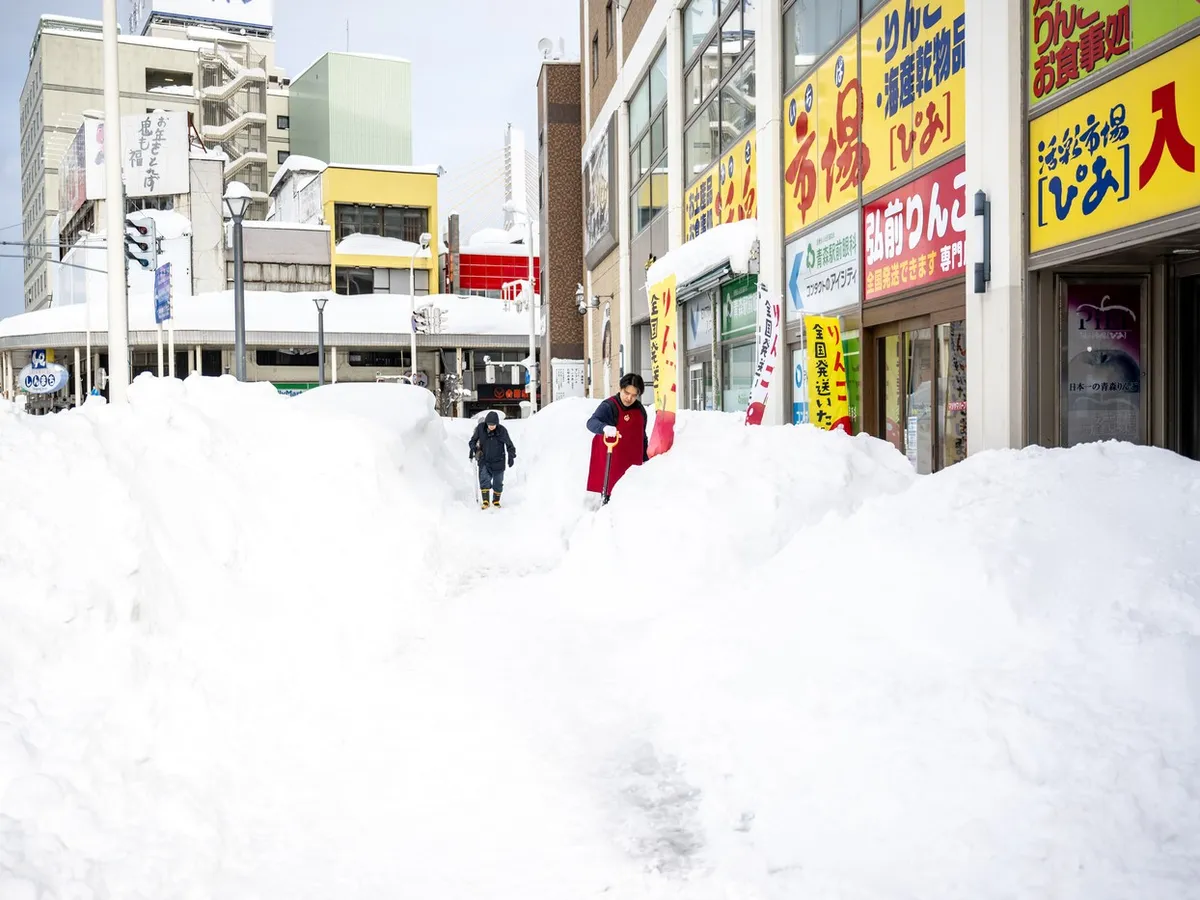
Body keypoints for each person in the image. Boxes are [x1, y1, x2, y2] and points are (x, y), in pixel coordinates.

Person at [585, 373, 649, 502]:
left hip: (632, 465)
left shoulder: (640, 410)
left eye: (633, 395)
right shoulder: (609, 406)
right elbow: (591, 422)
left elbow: (642, 436)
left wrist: (646, 459)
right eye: (626, 392)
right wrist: (604, 428)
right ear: (620, 388)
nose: (629, 398)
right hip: (613, 464)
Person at [469, 411, 516, 509]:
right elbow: (472, 441)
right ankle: (485, 501)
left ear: (497, 423)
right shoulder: (480, 428)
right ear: (486, 423)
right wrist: (475, 449)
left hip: (499, 460)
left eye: (493, 425)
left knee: (498, 482)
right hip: (484, 459)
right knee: (484, 480)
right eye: (489, 424)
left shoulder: (502, 431)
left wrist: (511, 455)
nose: (491, 426)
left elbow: (509, 444)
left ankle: (496, 501)